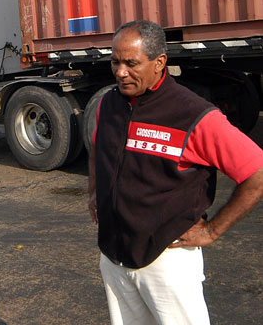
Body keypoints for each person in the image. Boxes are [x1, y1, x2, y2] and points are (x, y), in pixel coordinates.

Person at [88, 20, 263, 325]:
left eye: (132, 63)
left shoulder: (194, 114)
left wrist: (211, 231)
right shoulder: (108, 104)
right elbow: (98, 149)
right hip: (114, 256)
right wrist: (95, 192)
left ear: (159, 63)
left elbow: (257, 174)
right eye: (115, 61)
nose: (120, 72)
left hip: (166, 261)